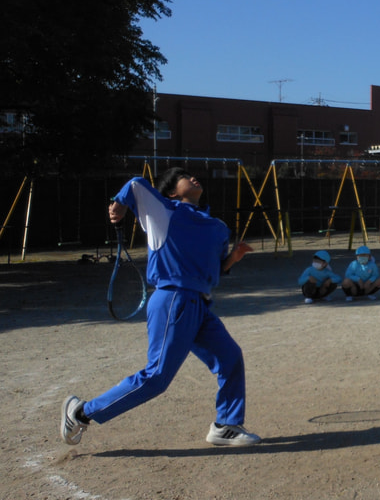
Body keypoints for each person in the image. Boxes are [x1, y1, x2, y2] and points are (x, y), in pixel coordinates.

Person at [60, 167, 260, 447]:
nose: (192, 177)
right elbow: (136, 184)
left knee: (230, 357)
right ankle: (81, 413)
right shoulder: (164, 212)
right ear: (172, 193)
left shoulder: (217, 227)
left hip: (200, 304)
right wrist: (119, 204)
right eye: (183, 177)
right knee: (157, 377)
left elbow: (215, 269)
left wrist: (233, 258)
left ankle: (226, 425)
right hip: (173, 301)